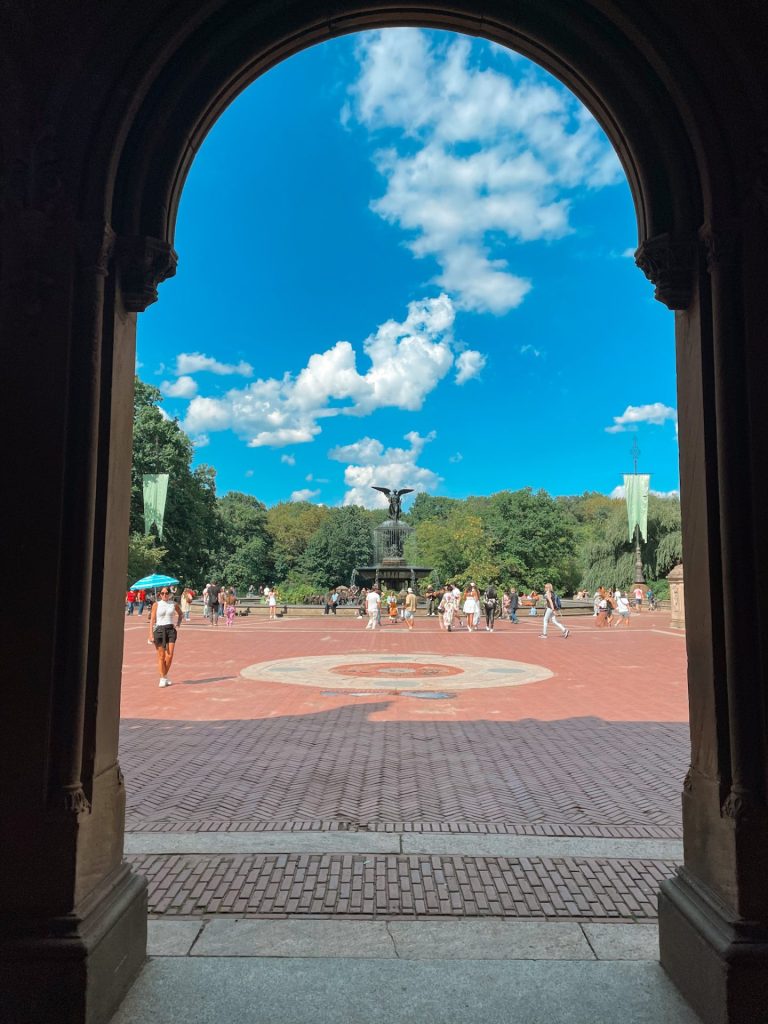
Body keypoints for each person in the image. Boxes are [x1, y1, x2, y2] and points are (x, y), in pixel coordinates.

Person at [148, 586, 182, 687]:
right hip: (159, 630)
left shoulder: (173, 604)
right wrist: (150, 634)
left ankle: (164, 675)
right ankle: (163, 678)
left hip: (170, 630)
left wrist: (178, 623)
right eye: (162, 593)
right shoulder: (156, 604)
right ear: (159, 594)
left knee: (170, 655)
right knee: (161, 656)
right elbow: (152, 620)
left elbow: (180, 614)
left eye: (166, 593)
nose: (164, 595)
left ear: (169, 594)